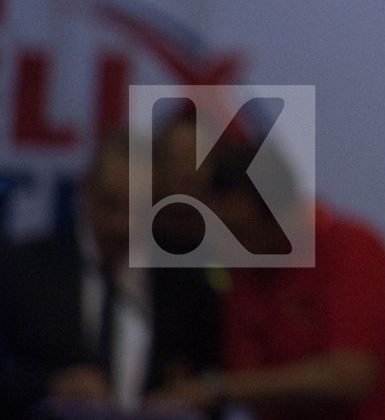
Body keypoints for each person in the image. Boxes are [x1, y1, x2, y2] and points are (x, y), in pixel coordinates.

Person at [146, 135, 385, 420]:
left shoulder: (352, 249)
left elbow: (350, 376)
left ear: (280, 214)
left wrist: (216, 387)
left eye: (237, 231)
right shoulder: (242, 273)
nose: (225, 246)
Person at [0, 131, 220, 417]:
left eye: (138, 208)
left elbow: (209, 378)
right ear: (85, 190)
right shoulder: (24, 267)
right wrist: (52, 384)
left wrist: (191, 393)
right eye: (111, 204)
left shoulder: (186, 284)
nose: (122, 226)